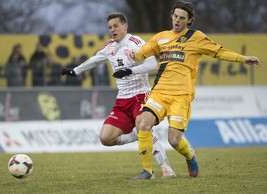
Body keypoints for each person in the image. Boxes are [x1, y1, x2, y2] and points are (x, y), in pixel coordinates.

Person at [115, 0, 261, 180]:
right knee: (143, 124)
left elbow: (219, 52)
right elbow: (141, 54)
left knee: (174, 140)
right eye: (175, 16)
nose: (177, 21)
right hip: (160, 92)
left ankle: (190, 156)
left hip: (181, 96)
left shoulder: (196, 37)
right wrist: (133, 55)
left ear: (189, 20)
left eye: (182, 18)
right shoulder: (160, 37)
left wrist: (243, 59)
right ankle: (148, 171)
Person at [61, 12, 176, 178]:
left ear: (125, 26)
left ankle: (165, 168)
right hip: (122, 101)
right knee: (106, 138)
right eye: (109, 27)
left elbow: (152, 64)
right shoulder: (109, 47)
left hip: (140, 96)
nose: (112, 30)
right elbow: (94, 60)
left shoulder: (135, 43)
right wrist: (75, 71)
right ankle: (138, 135)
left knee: (142, 126)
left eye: (116, 26)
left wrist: (130, 70)